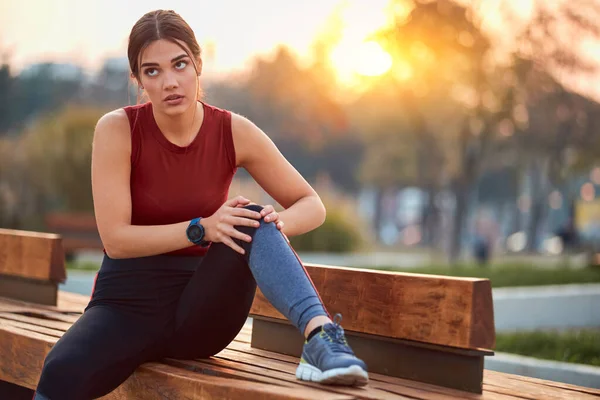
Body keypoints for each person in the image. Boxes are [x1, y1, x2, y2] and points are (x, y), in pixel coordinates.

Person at [33, 9, 368, 400]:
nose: (170, 82)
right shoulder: (118, 129)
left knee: (250, 215)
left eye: (180, 65)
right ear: (137, 79)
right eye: (152, 71)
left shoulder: (232, 130)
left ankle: (320, 338)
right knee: (58, 373)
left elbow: (312, 205)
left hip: (203, 309)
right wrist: (203, 228)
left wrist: (264, 230)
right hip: (125, 305)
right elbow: (116, 240)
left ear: (198, 65)